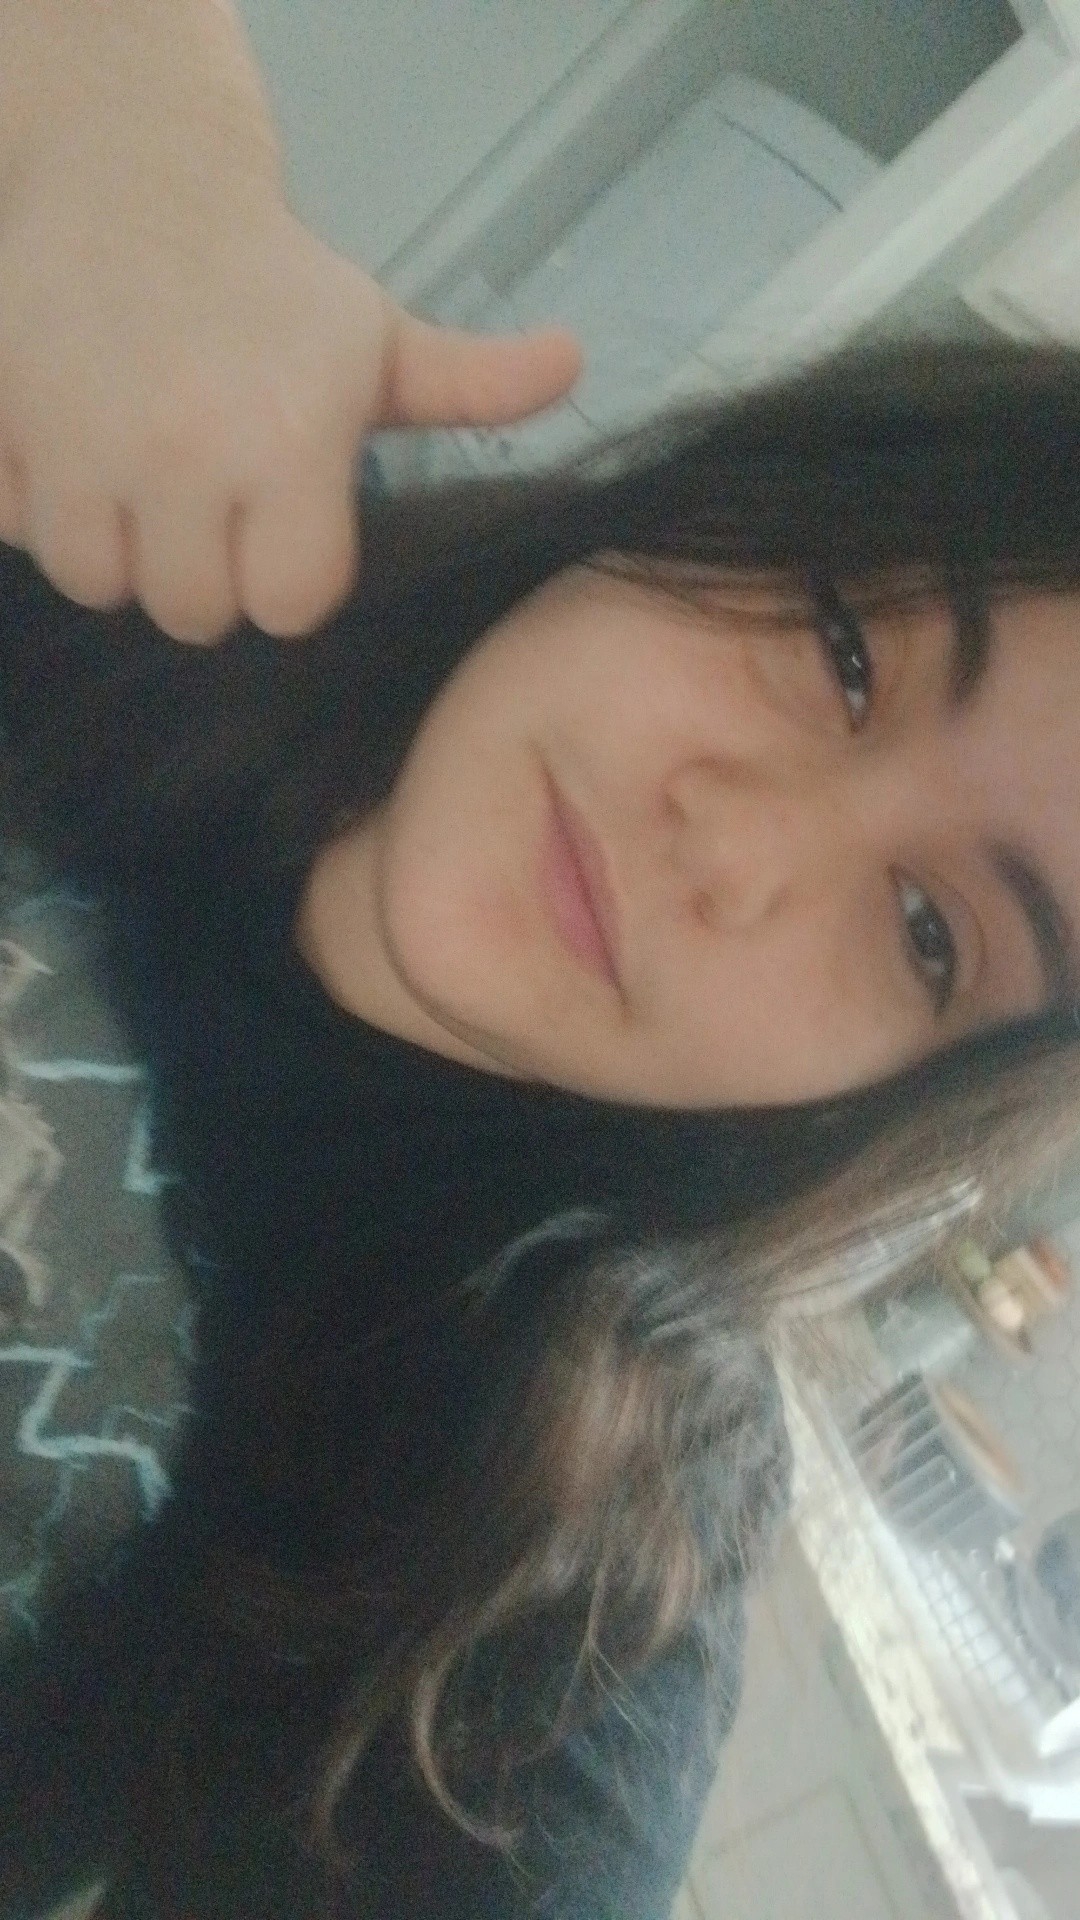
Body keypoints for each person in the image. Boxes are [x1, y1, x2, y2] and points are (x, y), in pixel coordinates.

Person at [2, 7, 1080, 1920]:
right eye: (842, 648)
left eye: (929, 933)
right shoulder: (139, 496)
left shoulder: (543, 1611)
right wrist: (110, 104)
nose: (732, 844)